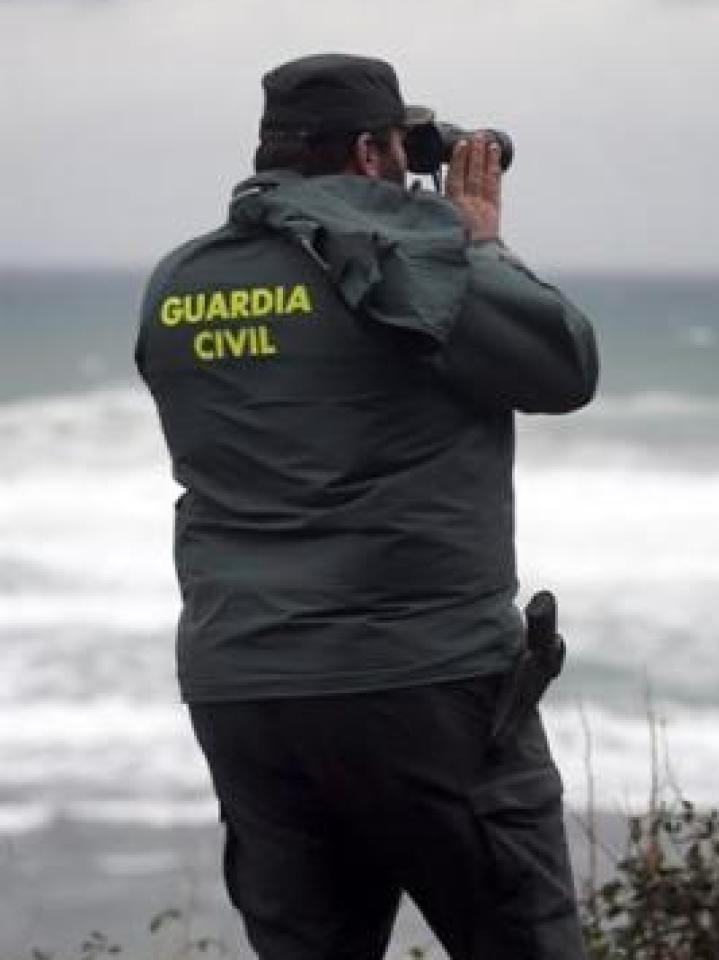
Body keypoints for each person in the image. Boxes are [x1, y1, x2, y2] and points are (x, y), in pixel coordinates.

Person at [133, 53, 598, 959]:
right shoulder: (418, 264)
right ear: (373, 154)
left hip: (249, 688)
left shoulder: (179, 282)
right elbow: (563, 367)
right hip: (425, 684)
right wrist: (476, 242)